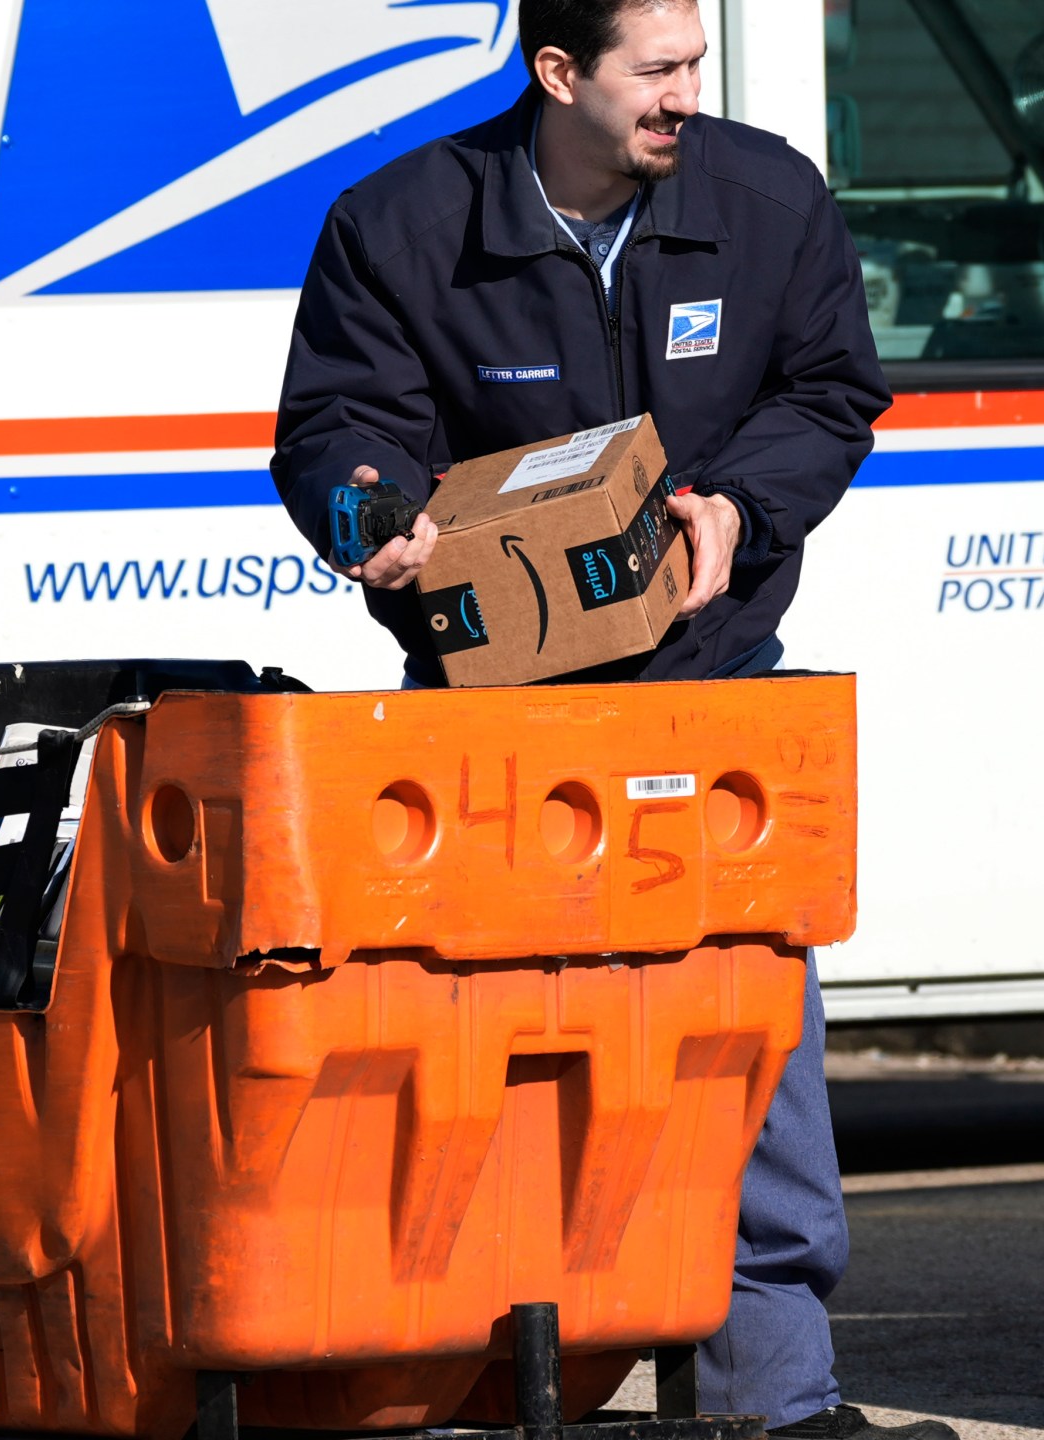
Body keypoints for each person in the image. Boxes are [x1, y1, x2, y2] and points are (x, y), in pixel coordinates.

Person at [270, 3, 948, 1437]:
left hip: (713, 706)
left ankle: (774, 1402)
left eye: (697, 63)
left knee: (746, 1055)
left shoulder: (767, 203)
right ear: (559, 72)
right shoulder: (399, 226)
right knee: (495, 1071)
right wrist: (369, 515)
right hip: (492, 729)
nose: (686, 96)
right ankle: (483, 1386)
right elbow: (335, 427)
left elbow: (834, 392)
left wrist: (740, 500)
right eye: (658, 69)